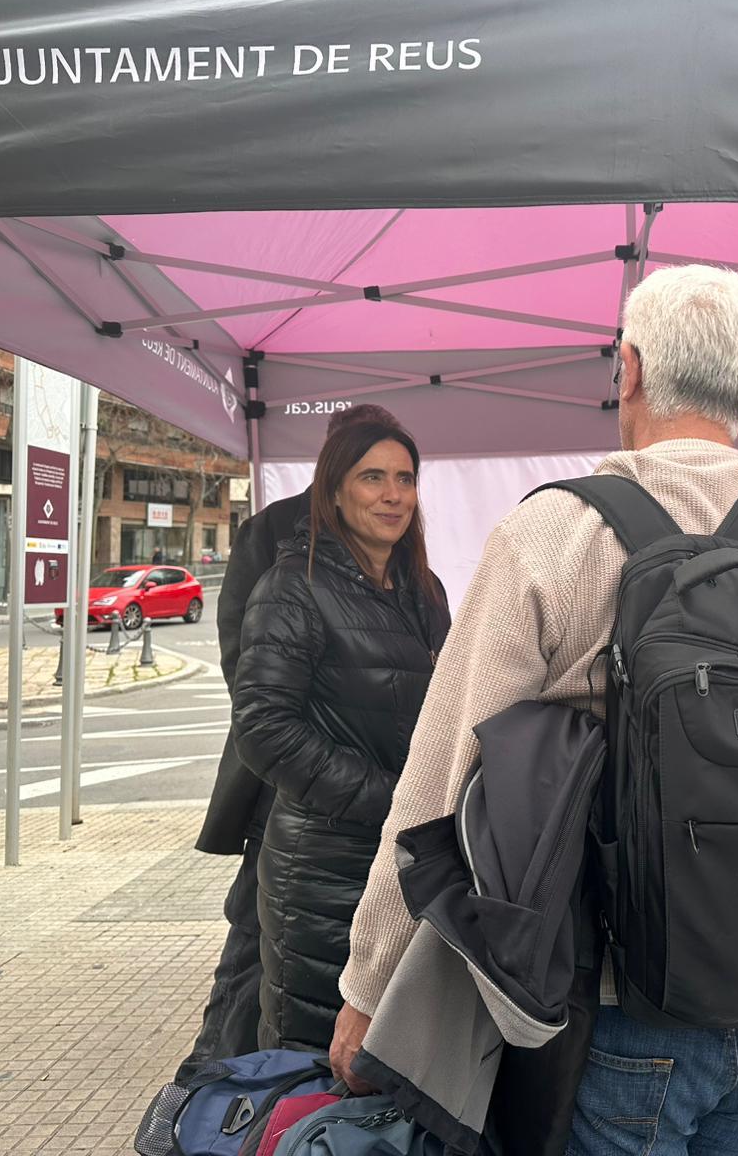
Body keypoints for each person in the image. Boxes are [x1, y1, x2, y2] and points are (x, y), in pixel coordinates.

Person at [334, 265, 738, 1155]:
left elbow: (440, 778)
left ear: (628, 369)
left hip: (622, 1008)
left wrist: (369, 985)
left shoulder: (552, 535)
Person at [177, 403, 403, 1078]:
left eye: (398, 473)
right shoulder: (274, 532)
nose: (387, 488)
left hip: (354, 796)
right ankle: (210, 1081)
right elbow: (246, 669)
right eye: (365, 466)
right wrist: (313, 751)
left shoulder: (397, 548)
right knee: (256, 941)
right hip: (284, 786)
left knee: (304, 958)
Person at [232, 414, 449, 1055]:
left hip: (402, 861)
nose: (393, 495)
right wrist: (390, 799)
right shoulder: (293, 586)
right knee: (317, 1059)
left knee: (391, 1059)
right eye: (372, 478)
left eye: (405, 479)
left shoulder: (423, 590)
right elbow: (263, 728)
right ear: (333, 490)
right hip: (322, 871)